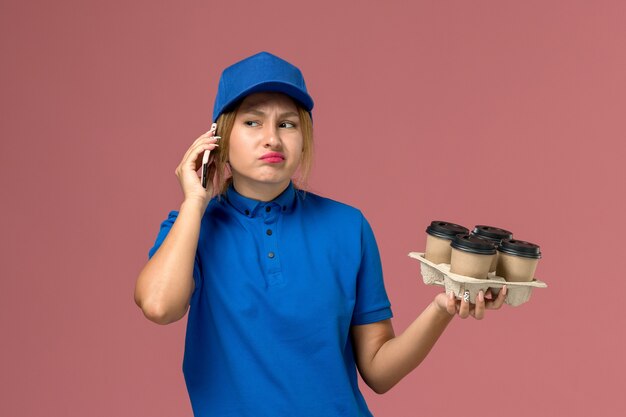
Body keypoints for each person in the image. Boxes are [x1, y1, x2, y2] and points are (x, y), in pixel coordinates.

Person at [134, 51, 507, 417]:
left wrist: (441, 309)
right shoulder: (190, 228)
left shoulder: (347, 226)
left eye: (287, 124)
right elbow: (159, 306)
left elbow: (378, 370)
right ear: (218, 138)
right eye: (252, 122)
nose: (272, 139)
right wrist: (195, 201)